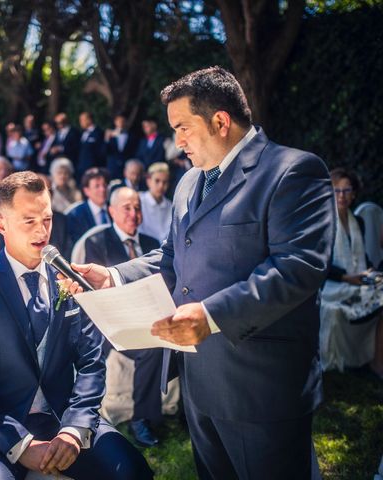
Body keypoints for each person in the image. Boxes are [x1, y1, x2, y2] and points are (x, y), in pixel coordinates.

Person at [64, 66, 335, 480]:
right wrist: (114, 276)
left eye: (183, 128)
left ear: (220, 121)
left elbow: (296, 269)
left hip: (261, 386)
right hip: (199, 384)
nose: (177, 142)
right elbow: (173, 255)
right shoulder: (189, 182)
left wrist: (209, 317)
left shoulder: (293, 172)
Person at [0, 171, 153, 480]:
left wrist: (74, 429)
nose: (42, 231)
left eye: (47, 219)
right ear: (1, 224)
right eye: (29, 221)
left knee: (132, 471)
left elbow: (91, 364)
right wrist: (21, 445)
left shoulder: (68, 279)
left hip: (63, 418)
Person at [80, 187, 163, 447]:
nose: (133, 213)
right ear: (111, 211)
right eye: (126, 208)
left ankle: (184, 408)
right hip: (112, 321)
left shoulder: (151, 243)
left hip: (152, 315)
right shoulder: (97, 243)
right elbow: (95, 293)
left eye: (137, 207)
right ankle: (141, 418)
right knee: (152, 349)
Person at [319, 168, 383, 377]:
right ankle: (376, 364)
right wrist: (346, 278)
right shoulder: (323, 222)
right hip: (332, 287)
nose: (342, 196)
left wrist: (370, 271)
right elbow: (319, 262)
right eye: (336, 190)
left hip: (355, 281)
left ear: (354, 194)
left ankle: (374, 359)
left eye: (347, 191)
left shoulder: (359, 222)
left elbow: (361, 255)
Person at [66, 167, 110, 246]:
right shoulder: (76, 215)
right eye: (97, 186)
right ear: (86, 191)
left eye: (104, 185)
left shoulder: (115, 208)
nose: (102, 189)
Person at [138, 162, 173, 243]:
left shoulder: (170, 205)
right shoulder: (139, 200)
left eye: (165, 182)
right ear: (148, 181)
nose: (161, 186)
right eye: (157, 181)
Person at [105, 114, 138, 181]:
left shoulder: (132, 136)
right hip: (112, 168)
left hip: (126, 169)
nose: (121, 123)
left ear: (126, 122)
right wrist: (107, 139)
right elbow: (104, 151)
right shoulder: (109, 135)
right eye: (119, 121)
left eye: (123, 121)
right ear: (115, 122)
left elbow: (134, 153)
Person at [76, 112, 105, 183]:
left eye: (82, 120)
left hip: (92, 169)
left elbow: (101, 152)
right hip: (81, 169)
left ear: (89, 120)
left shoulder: (99, 132)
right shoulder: (82, 133)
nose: (80, 122)